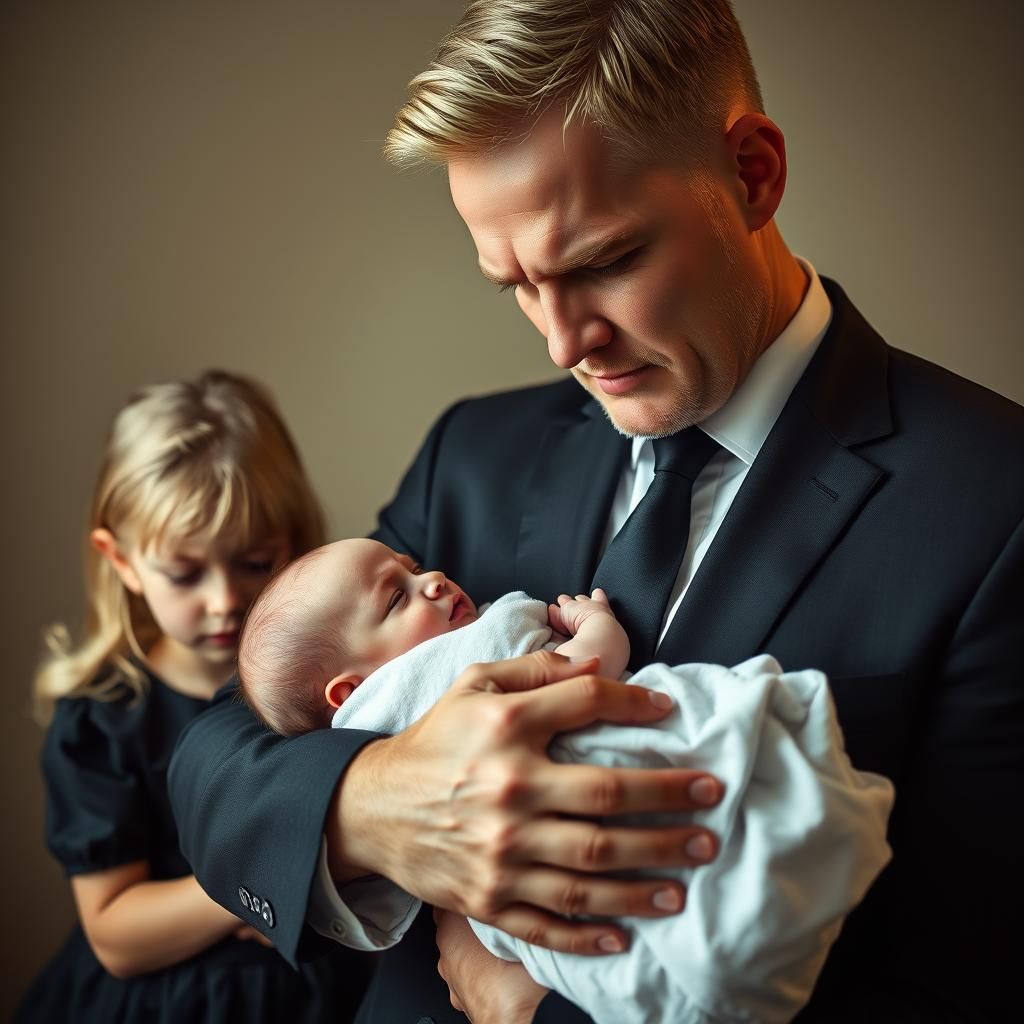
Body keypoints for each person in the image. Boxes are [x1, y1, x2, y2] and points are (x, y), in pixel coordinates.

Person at [168, 3, 1024, 1022]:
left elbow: (968, 967)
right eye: (517, 287)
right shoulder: (472, 455)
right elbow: (224, 752)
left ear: (752, 174)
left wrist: (536, 1013)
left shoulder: (995, 505)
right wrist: (381, 803)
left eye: (602, 263)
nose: (562, 342)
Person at [236, 537, 893, 1024]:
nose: (430, 580)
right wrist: (597, 626)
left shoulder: (367, 726)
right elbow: (584, 671)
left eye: (412, 569)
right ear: (347, 691)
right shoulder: (467, 654)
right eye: (395, 597)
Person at [17, 371, 372, 1023]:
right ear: (121, 561)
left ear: (294, 540)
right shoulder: (104, 718)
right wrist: (269, 881)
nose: (223, 599)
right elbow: (114, 934)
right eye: (184, 573)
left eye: (255, 563)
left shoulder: (337, 680)